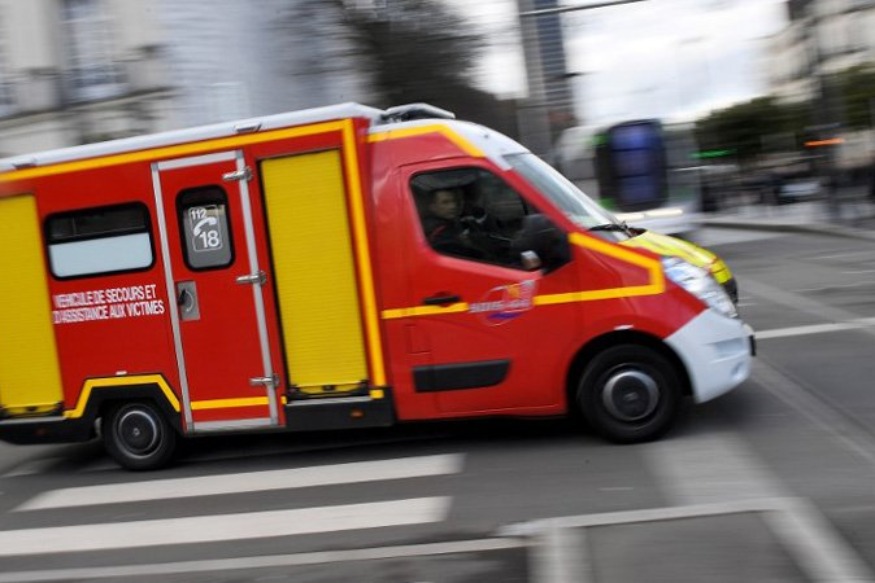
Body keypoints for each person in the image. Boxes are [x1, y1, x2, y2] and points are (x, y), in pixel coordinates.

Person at [421, 188, 484, 258]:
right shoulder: (439, 230)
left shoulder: (451, 223)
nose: (453, 206)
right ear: (432, 207)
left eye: (454, 201)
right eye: (445, 202)